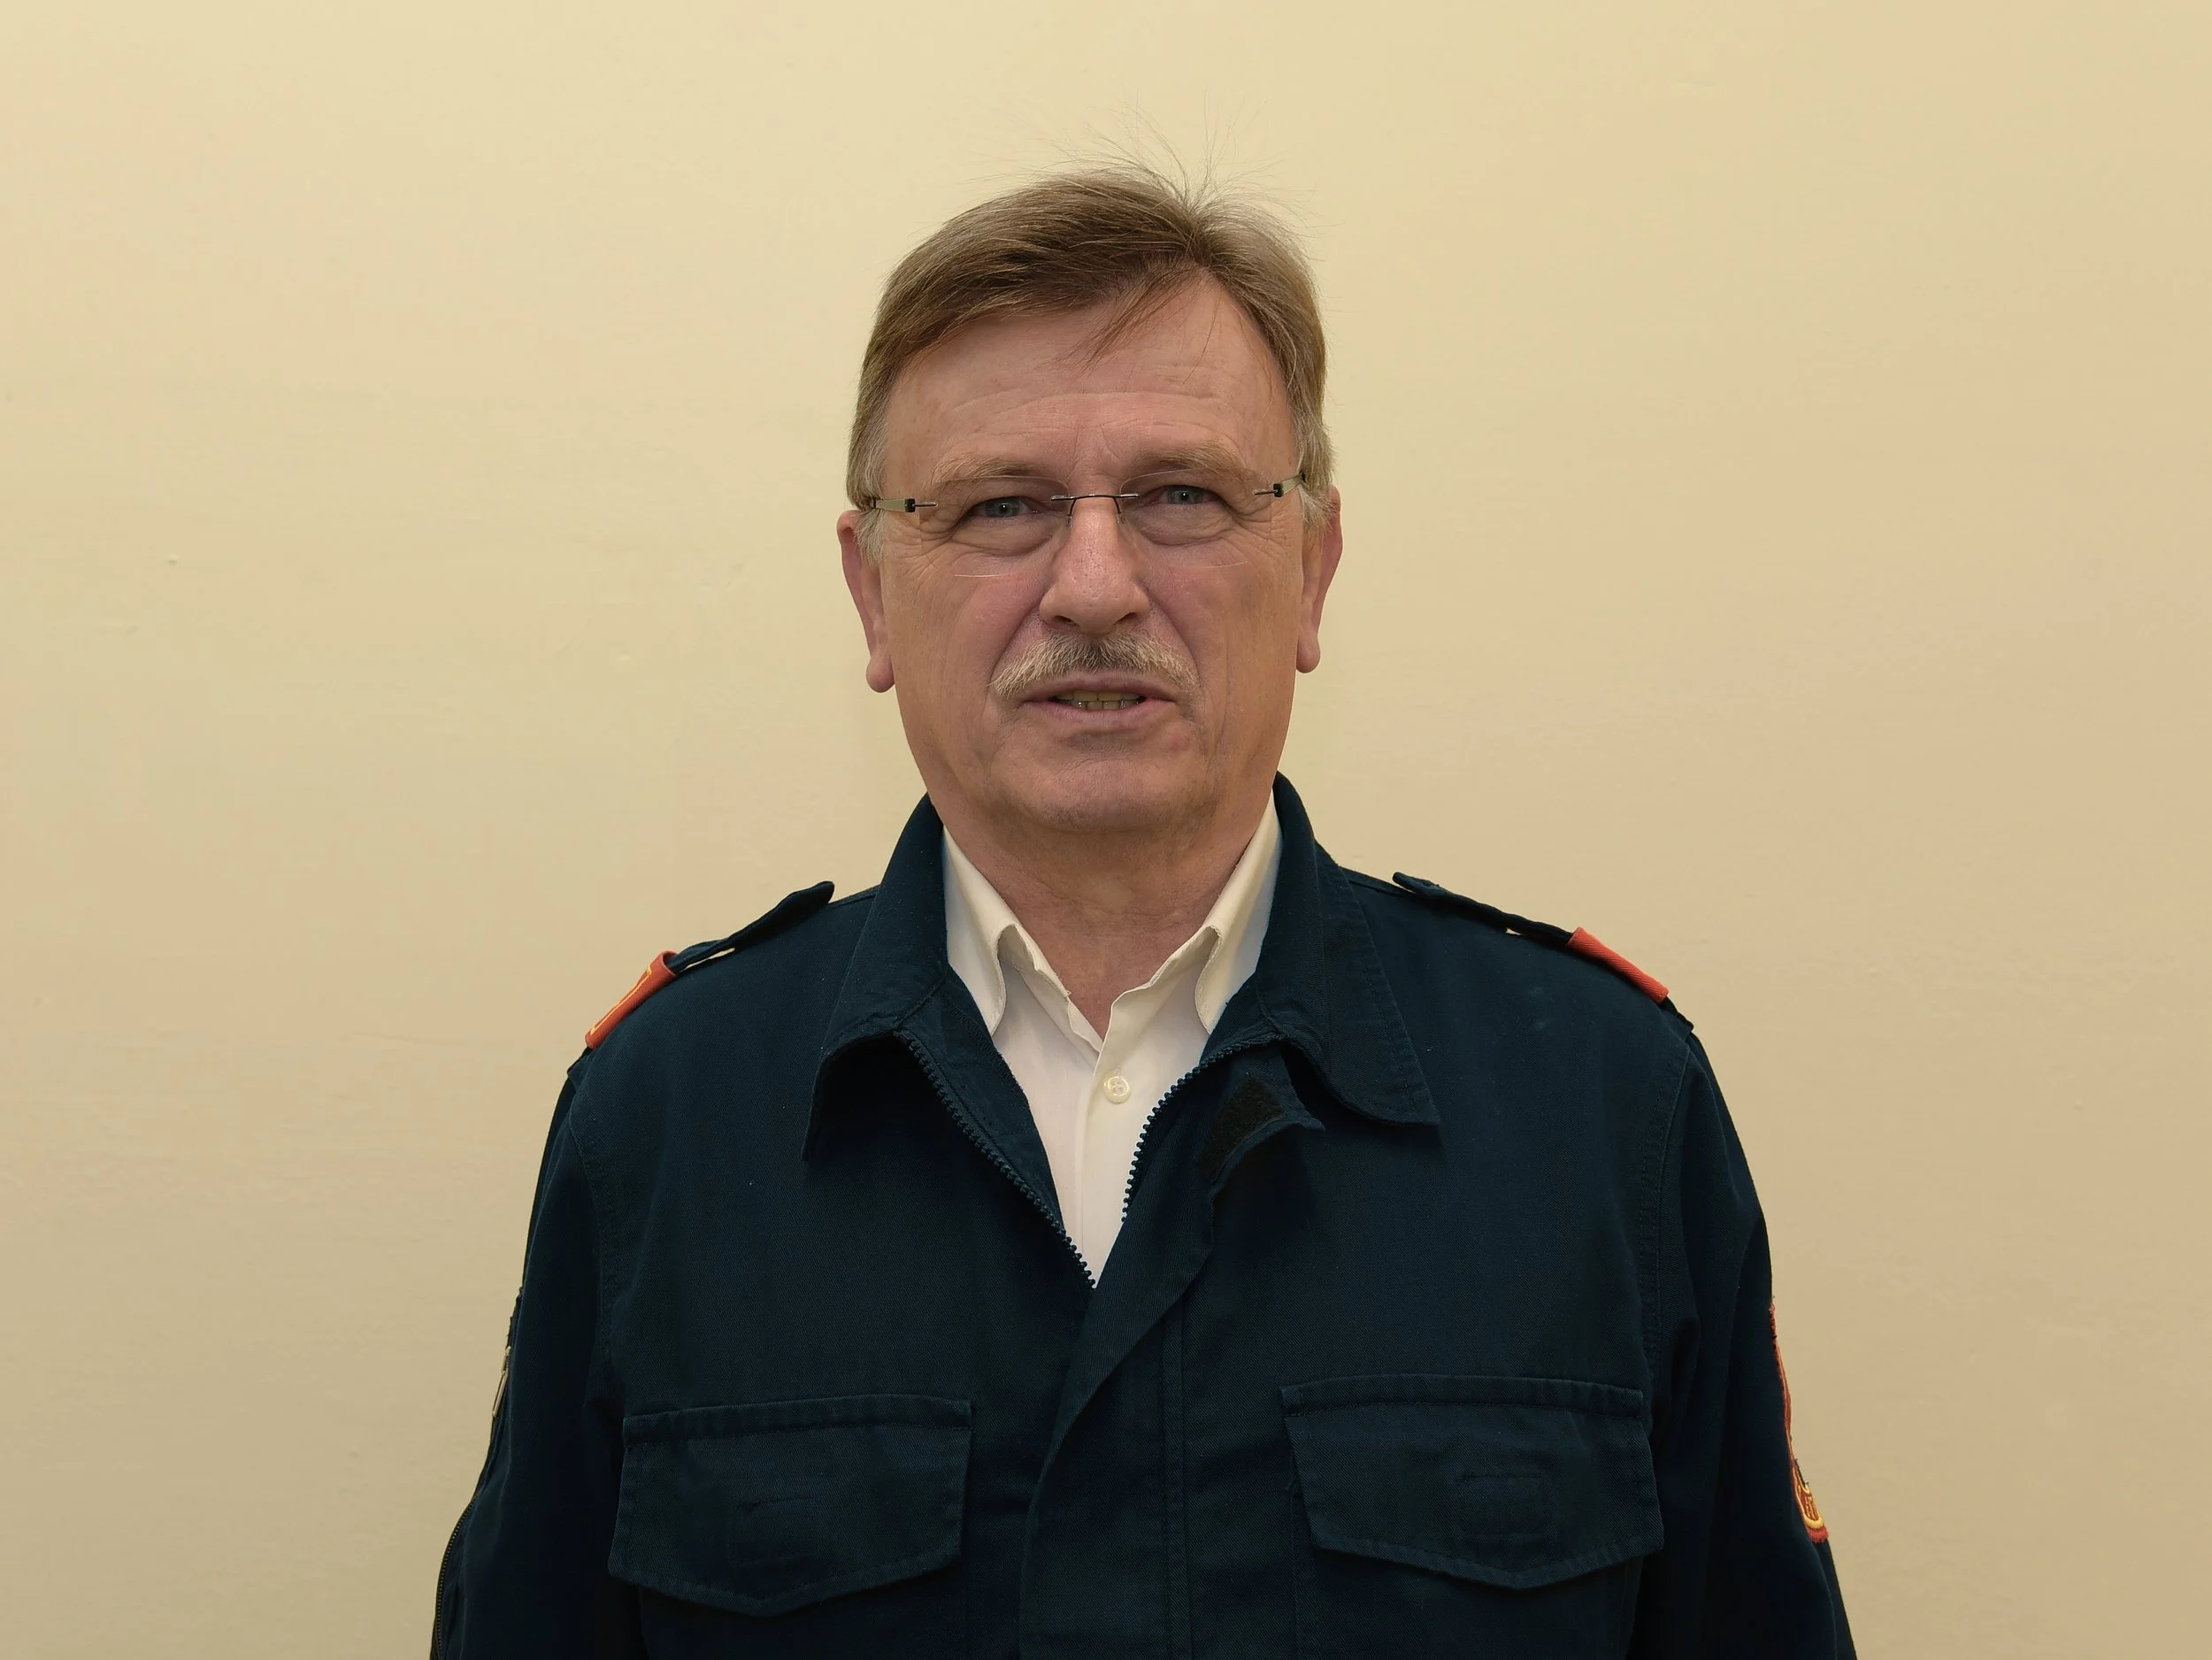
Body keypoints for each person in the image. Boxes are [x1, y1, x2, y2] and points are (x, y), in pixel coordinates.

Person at [431, 165, 1854, 1659]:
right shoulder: (664, 1120)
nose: (1095, 587)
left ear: (1313, 568)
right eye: (1001, 505)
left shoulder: (1602, 1107)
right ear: (871, 591)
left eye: (1182, 495)